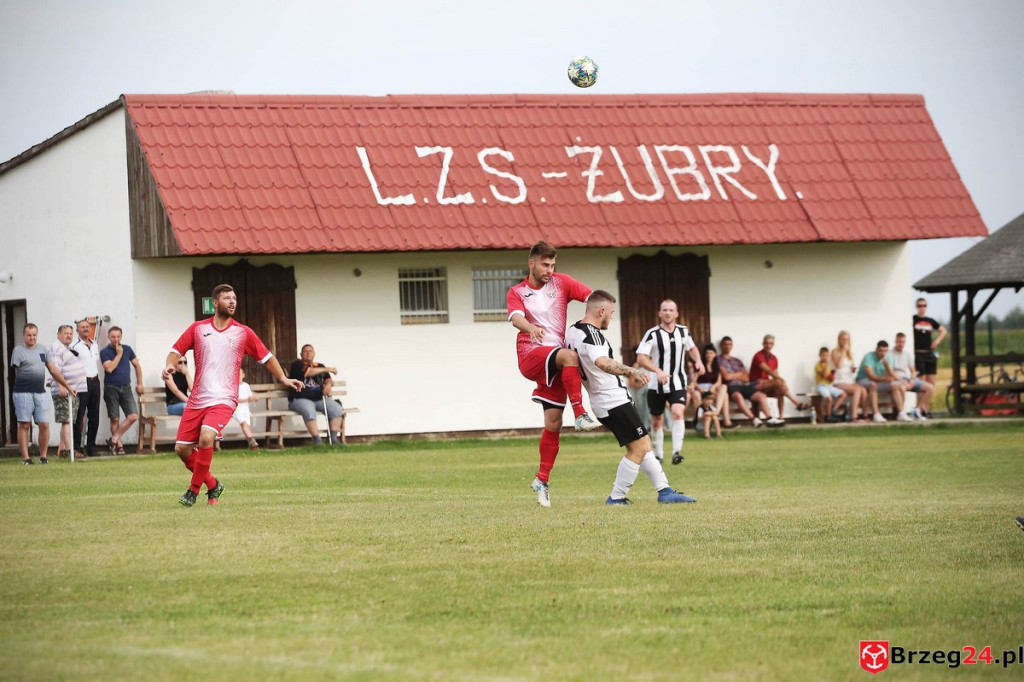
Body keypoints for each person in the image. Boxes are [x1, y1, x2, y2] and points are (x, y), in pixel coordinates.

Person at [162, 283, 303, 507]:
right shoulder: (198, 329)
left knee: (206, 437)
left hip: (224, 399)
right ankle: (213, 484)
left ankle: (193, 490)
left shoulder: (243, 332)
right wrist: (170, 365)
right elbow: (175, 351)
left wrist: (284, 379)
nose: (232, 302)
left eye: (234, 298)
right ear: (215, 303)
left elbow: (266, 357)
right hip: (198, 399)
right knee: (182, 449)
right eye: (227, 298)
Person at [564, 291, 696, 505]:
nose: (611, 317)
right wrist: (633, 371)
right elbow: (603, 362)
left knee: (644, 444)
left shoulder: (572, 331)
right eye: (612, 313)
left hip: (605, 400)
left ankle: (665, 490)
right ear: (601, 311)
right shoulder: (592, 334)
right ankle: (616, 497)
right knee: (638, 449)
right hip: (612, 400)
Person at [506, 241, 599, 508]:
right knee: (571, 356)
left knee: (554, 422)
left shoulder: (561, 283)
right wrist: (530, 327)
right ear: (531, 263)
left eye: (553, 265)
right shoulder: (518, 291)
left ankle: (542, 479)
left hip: (556, 363)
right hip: (531, 355)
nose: (549, 270)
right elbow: (515, 318)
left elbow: (591, 298)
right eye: (545, 265)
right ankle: (581, 414)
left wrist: (594, 317)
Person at [635, 299, 704, 465]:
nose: (667, 313)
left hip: (678, 382)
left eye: (670, 310)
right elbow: (641, 358)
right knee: (657, 420)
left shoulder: (683, 331)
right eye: (664, 310)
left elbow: (692, 348)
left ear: (676, 313)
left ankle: (676, 452)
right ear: (659, 313)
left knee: (677, 413)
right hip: (656, 384)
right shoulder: (652, 333)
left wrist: (698, 360)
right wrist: (657, 371)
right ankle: (658, 455)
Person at [11, 323, 75, 464]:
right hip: (23, 393)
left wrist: (68, 386)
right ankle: (26, 459)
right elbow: (13, 372)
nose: (32, 338)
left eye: (34, 335)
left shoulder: (42, 349)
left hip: (40, 393)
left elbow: (53, 370)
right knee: (25, 425)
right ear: (24, 335)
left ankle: (43, 457)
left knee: (44, 425)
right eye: (29, 335)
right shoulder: (18, 350)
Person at [288, 344, 345, 446]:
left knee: (337, 409)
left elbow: (329, 380)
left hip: (318, 398)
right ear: (301, 354)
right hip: (299, 398)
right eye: (305, 351)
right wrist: (327, 369)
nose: (308, 353)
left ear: (314, 354)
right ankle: (317, 440)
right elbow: (308, 373)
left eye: (310, 351)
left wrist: (328, 386)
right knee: (309, 410)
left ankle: (334, 439)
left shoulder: (320, 365)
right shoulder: (297, 365)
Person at [100, 326, 144, 455]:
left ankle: (113, 439)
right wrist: (119, 354)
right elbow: (109, 369)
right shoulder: (105, 352)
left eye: (118, 336)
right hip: (111, 388)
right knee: (114, 418)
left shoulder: (128, 349)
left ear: (121, 336)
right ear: (109, 337)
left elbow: (137, 365)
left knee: (133, 416)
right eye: (113, 337)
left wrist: (140, 383)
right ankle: (118, 446)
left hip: (126, 387)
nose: (116, 339)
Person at [717, 336, 778, 427]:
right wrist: (739, 374)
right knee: (738, 396)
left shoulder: (737, 361)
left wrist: (733, 375)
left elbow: (746, 378)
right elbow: (726, 377)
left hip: (744, 386)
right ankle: (754, 419)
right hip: (731, 387)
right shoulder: (718, 360)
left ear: (732, 346)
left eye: (729, 344)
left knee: (761, 396)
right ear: (721, 345)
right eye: (725, 344)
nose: (727, 346)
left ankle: (770, 418)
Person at [749, 334, 810, 422]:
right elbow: (768, 370)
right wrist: (781, 380)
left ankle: (781, 417)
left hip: (765, 384)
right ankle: (796, 403)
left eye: (771, 343)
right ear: (763, 343)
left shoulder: (774, 358)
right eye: (766, 343)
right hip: (755, 385)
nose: (768, 345)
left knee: (780, 389)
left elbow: (775, 374)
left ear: (773, 345)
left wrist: (780, 381)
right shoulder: (758, 356)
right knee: (779, 382)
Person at [49, 325, 88, 459]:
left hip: (72, 390)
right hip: (64, 390)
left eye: (71, 333)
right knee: (66, 421)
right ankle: (71, 450)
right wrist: (60, 386)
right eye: (65, 333)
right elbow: (55, 370)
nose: (69, 336)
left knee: (67, 420)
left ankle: (63, 450)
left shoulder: (66, 348)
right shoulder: (56, 349)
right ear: (58, 334)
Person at [856, 340, 911, 423]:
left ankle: (901, 413)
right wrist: (885, 379)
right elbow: (871, 376)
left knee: (895, 385)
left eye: (885, 351)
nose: (883, 353)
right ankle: (876, 414)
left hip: (880, 381)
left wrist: (887, 367)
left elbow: (891, 375)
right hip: (863, 380)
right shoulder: (869, 357)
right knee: (873, 385)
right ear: (876, 350)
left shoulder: (888, 358)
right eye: (880, 351)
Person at [70, 319, 102, 457]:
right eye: (82, 327)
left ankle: (91, 447)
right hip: (82, 382)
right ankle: (76, 447)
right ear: (77, 330)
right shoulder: (74, 346)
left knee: (94, 416)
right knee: (79, 416)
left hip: (95, 381)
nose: (85, 329)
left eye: (87, 327)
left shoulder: (94, 344)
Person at [690, 343, 735, 430]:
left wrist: (713, 387)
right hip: (700, 388)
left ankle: (719, 414)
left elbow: (719, 381)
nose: (709, 355)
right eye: (707, 353)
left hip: (712, 388)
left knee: (724, 390)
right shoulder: (699, 366)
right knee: (696, 394)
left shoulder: (716, 366)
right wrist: (700, 389)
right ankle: (699, 420)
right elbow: (693, 381)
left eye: (711, 353)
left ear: (715, 354)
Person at [890, 332, 934, 420]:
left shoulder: (907, 354)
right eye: (899, 342)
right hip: (896, 379)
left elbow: (913, 370)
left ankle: (919, 410)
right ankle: (902, 413)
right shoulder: (890, 354)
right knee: (902, 387)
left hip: (906, 379)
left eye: (903, 342)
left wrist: (912, 380)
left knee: (929, 387)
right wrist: (904, 383)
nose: (901, 344)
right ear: (895, 341)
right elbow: (891, 372)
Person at [831, 330, 869, 422]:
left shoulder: (850, 353)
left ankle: (864, 415)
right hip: (839, 381)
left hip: (849, 380)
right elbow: (839, 366)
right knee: (857, 390)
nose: (845, 342)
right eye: (843, 339)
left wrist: (853, 369)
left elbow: (849, 368)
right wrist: (843, 351)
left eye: (847, 340)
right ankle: (854, 416)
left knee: (863, 390)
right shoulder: (835, 351)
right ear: (839, 340)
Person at [912, 298, 947, 391]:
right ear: (916, 307)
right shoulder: (913, 319)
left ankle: (926, 405)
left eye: (924, 305)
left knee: (931, 383)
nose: (922, 308)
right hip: (918, 353)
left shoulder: (930, 320)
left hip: (929, 353)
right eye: (920, 305)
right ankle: (919, 405)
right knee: (921, 383)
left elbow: (943, 331)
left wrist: (937, 341)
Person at [813, 346, 847, 422]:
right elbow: (824, 375)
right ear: (820, 356)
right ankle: (829, 416)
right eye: (823, 355)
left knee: (843, 394)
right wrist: (826, 364)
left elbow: (830, 378)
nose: (825, 357)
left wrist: (832, 377)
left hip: (829, 386)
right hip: (821, 385)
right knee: (829, 399)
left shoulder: (828, 366)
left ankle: (834, 409)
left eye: (827, 355)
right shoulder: (818, 365)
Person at [232, 367, 260, 450]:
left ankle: (252, 445)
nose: (238, 376)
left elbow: (249, 397)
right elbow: (235, 400)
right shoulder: (233, 386)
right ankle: (253, 441)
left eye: (240, 374)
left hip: (245, 409)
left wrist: (254, 399)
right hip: (236, 409)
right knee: (243, 423)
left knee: (247, 426)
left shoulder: (246, 386)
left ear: (243, 375)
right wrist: (247, 399)